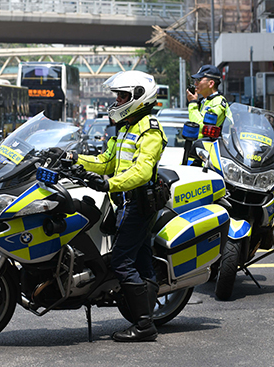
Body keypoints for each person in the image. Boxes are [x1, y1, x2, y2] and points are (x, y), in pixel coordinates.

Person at [65, 71, 168, 342]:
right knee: (143, 262)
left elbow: (142, 172)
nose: (118, 101)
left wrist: (109, 184)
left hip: (138, 205)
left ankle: (145, 325)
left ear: (138, 98)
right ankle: (146, 319)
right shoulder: (126, 128)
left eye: (123, 96)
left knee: (122, 261)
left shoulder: (150, 131)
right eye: (118, 96)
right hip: (124, 204)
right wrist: (72, 158)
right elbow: (105, 161)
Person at [187, 64, 231, 138]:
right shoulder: (205, 101)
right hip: (200, 147)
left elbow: (202, 126)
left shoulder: (218, 102)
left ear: (211, 83)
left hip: (209, 148)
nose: (195, 84)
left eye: (199, 80)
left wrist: (192, 103)